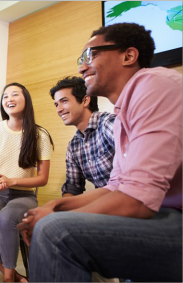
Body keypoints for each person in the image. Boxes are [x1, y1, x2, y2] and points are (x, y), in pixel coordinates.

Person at [19, 23, 182, 282]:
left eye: (90, 55)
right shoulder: (121, 116)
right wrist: (55, 205)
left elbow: (135, 199)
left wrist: (56, 217)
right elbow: (115, 187)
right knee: (50, 220)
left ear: (128, 56)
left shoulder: (154, 85)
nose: (82, 66)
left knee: (55, 231)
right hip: (157, 213)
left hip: (170, 218)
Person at [0, 82, 53, 282]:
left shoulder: (39, 134)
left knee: (6, 217)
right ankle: (11, 274)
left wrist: (12, 181)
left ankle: (8, 278)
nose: (9, 99)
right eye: (5, 96)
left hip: (24, 196)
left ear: (26, 99)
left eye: (15, 94)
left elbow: (42, 179)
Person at [49, 76, 115, 197]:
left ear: (85, 101)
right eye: (56, 104)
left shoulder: (108, 124)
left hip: (132, 199)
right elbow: (73, 187)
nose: (59, 109)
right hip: (105, 203)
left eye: (64, 101)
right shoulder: (74, 145)